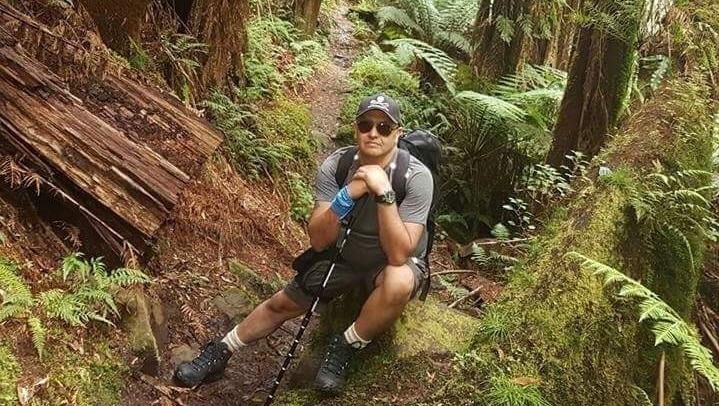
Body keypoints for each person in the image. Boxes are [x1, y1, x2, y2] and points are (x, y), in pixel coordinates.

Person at [174, 93, 433, 394]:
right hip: (343, 257)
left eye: (384, 127)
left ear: (398, 133)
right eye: (366, 125)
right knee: (281, 303)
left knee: (399, 281)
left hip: (387, 263)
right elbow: (320, 240)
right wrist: (347, 195)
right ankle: (220, 351)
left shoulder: (415, 177)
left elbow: (400, 254)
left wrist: (385, 194)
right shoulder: (338, 166)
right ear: (355, 129)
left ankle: (346, 345)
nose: (373, 133)